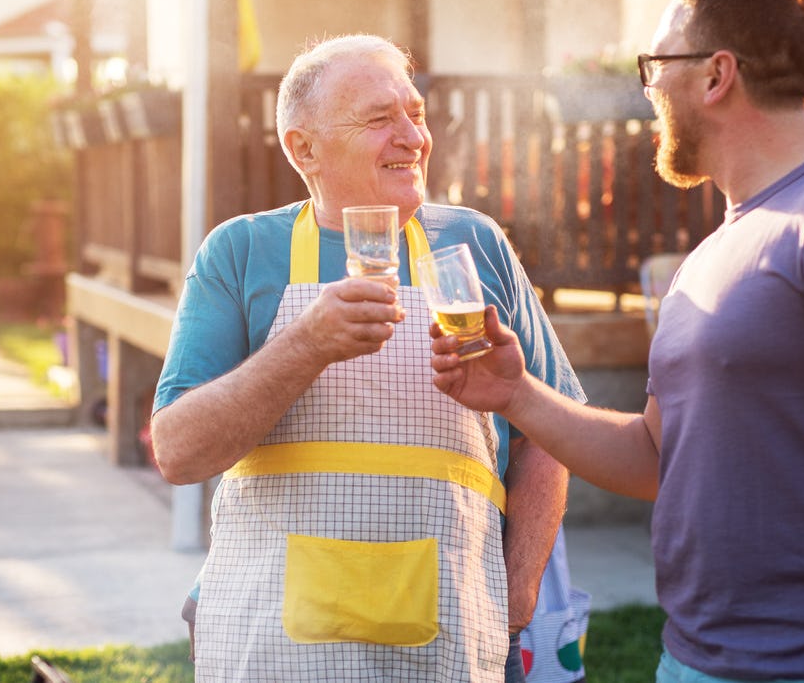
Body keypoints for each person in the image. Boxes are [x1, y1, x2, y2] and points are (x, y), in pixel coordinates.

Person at [430, 0, 804, 683]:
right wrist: (517, 396)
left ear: (714, 75)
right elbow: (655, 459)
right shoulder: (709, 257)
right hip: (695, 661)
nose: (650, 89)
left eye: (656, 63)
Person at [149, 34, 584, 683]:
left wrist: (519, 587)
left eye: (415, 113)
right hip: (273, 645)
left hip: (451, 632)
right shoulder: (240, 253)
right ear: (304, 149)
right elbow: (179, 452)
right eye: (381, 119)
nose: (412, 136)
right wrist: (306, 344)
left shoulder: (470, 244)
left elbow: (546, 435)